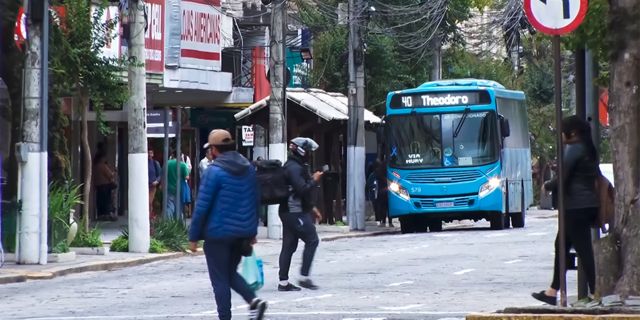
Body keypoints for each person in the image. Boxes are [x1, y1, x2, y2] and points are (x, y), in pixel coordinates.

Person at [189, 129, 267, 320]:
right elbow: (255, 200)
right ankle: (253, 301)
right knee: (230, 273)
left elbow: (202, 206)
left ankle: (225, 317)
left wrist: (193, 236)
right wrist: (252, 231)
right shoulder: (248, 168)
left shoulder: (213, 171)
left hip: (218, 234)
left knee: (219, 279)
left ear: (214, 149)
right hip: (242, 234)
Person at [532, 115, 600, 305]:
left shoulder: (576, 149)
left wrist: (547, 185)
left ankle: (595, 293)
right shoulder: (587, 148)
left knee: (583, 249)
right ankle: (553, 291)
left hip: (577, 207)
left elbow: (563, 175)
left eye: (563, 131)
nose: (560, 134)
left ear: (572, 133)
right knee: (561, 245)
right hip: (584, 205)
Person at [278, 137, 323, 291]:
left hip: (290, 211)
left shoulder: (292, 165)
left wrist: (311, 208)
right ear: (302, 151)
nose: (310, 154)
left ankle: (283, 283)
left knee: (289, 246)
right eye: (309, 151)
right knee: (312, 240)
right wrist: (314, 180)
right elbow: (302, 189)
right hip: (294, 212)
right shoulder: (294, 168)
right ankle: (304, 276)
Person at [163, 150, 189, 220]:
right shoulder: (183, 165)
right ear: (180, 156)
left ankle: (169, 224)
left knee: (169, 207)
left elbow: (163, 175)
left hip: (168, 189)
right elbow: (187, 177)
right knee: (179, 208)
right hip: (179, 189)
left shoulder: (167, 163)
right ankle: (179, 225)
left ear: (172, 155)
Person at [94, 153, 116, 221]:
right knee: (107, 200)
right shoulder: (103, 166)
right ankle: (106, 214)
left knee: (100, 200)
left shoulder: (96, 166)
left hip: (98, 186)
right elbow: (109, 175)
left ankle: (100, 214)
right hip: (105, 186)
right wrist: (113, 173)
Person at [375, 158, 393, 227]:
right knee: (388, 208)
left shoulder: (379, 174)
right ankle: (390, 222)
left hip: (381, 193)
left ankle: (383, 221)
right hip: (387, 192)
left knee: (383, 208)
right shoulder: (388, 175)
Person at [148, 148, 162, 219]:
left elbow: (160, 174)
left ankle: (150, 216)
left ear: (153, 154)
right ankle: (150, 215)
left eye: (151, 153)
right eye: (148, 153)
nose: (149, 155)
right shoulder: (143, 163)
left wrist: (156, 181)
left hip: (152, 185)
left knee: (150, 201)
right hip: (144, 186)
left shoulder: (155, 163)